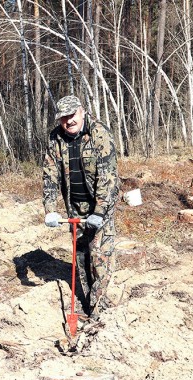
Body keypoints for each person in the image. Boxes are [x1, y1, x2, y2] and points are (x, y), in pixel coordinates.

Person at [42, 95, 119, 317]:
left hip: (99, 206)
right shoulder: (56, 138)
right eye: (63, 118)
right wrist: (51, 209)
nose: (69, 121)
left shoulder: (99, 133)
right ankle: (87, 303)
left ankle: (99, 310)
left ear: (82, 112)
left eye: (72, 115)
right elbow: (50, 174)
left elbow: (108, 177)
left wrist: (100, 212)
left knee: (100, 258)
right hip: (74, 207)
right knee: (82, 257)